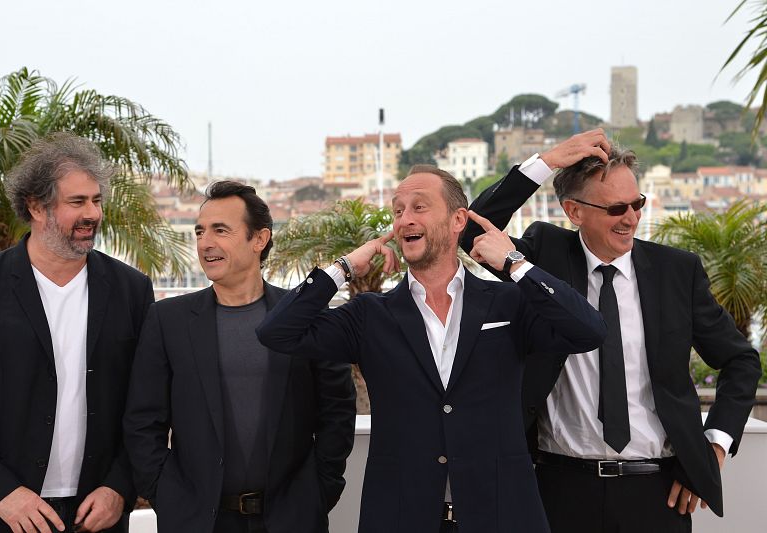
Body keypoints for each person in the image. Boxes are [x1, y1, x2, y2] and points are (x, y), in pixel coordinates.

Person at [255, 166, 606, 533]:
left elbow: (589, 331)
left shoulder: (508, 303)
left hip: (502, 516)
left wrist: (516, 263)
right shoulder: (369, 315)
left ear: (457, 220)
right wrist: (343, 268)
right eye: (398, 210)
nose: (405, 219)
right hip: (400, 518)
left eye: (419, 207)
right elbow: (277, 333)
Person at [463, 130, 762, 533]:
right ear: (573, 211)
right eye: (616, 207)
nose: (632, 218)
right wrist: (547, 161)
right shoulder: (543, 256)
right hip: (556, 490)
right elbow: (471, 231)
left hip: (658, 493)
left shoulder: (677, 271)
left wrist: (715, 446)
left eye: (637, 204)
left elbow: (740, 360)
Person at [123, 180, 356, 533]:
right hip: (198, 522)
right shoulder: (167, 320)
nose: (205, 243)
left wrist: (318, 491)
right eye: (200, 232)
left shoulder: (307, 319)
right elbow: (143, 419)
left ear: (259, 239)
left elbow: (337, 413)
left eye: (220, 230)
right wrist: (164, 493)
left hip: (291, 520)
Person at [0, 133, 155, 532]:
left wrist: (119, 488)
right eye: (77, 202)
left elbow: (147, 404)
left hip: (98, 513)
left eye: (97, 200)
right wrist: (2, 492)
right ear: (36, 206)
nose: (93, 213)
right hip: (1, 513)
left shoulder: (131, 290)